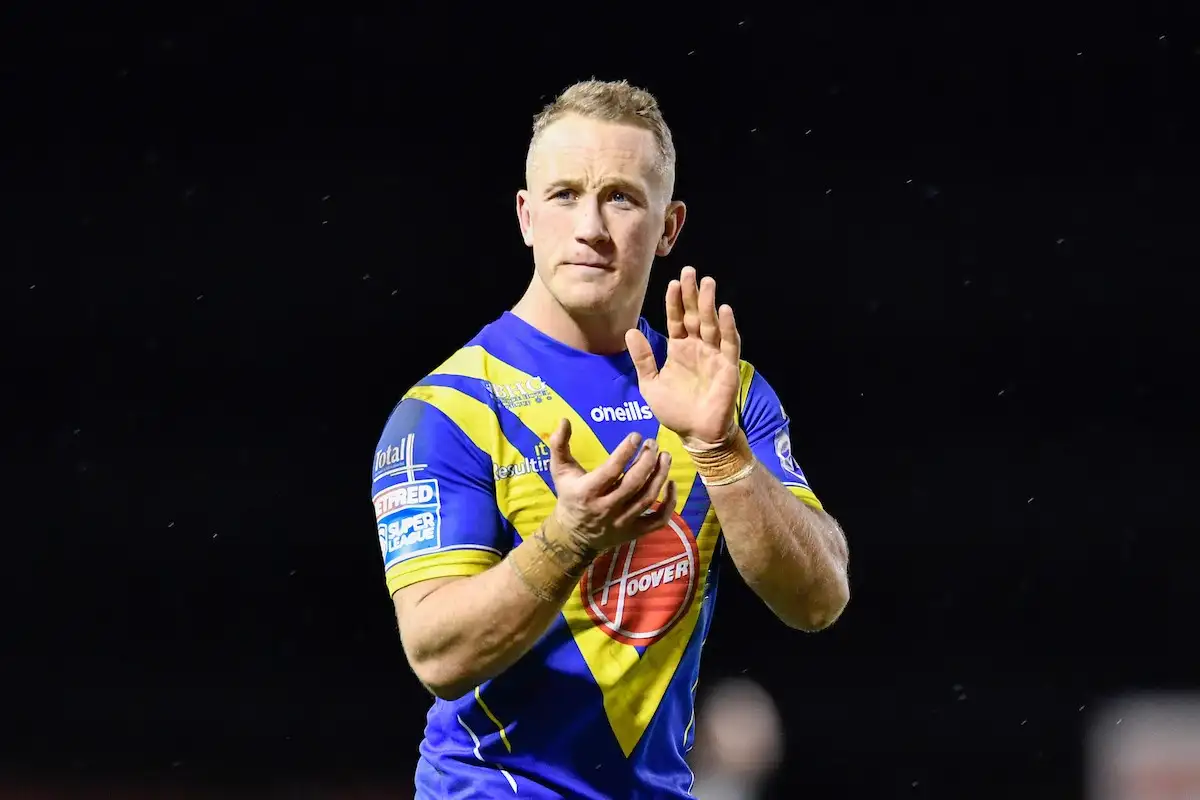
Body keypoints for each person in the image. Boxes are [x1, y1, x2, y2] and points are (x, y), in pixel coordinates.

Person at [369, 78, 850, 800]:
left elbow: (819, 600)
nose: (590, 226)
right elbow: (437, 656)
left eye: (620, 197)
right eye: (564, 195)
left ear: (669, 227)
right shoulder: (449, 410)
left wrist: (724, 455)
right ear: (526, 216)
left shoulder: (720, 392)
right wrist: (569, 538)